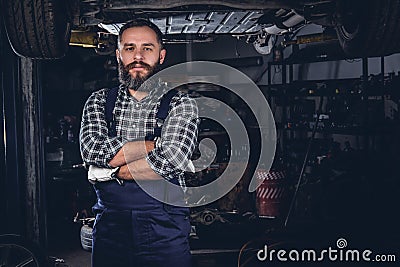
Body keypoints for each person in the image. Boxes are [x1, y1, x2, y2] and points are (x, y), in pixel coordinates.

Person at [79, 19, 199, 267]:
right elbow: (91, 149)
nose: (138, 56)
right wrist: (152, 144)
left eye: (147, 48)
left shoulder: (182, 104)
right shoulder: (99, 101)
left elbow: (171, 160)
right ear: (118, 54)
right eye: (130, 48)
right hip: (111, 229)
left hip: (165, 229)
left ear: (161, 55)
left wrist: (111, 171)